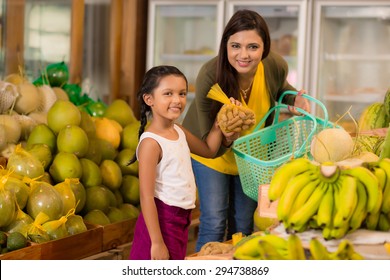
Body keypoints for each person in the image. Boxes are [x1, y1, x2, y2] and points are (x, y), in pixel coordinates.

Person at [182, 9, 311, 252]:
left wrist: (296, 101)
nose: (243, 55)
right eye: (235, 46)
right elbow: (203, 141)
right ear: (225, 46)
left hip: (250, 156)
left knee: (243, 224)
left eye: (253, 47)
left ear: (265, 48)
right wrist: (227, 138)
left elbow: (282, 88)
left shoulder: (275, 65)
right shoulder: (210, 75)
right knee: (214, 223)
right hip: (209, 153)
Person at [128, 65, 239, 260]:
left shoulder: (179, 130)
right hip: (161, 222)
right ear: (149, 99)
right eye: (168, 93)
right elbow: (146, 197)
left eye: (182, 94)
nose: (177, 100)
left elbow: (209, 150)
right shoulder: (151, 143)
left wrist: (218, 125)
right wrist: (157, 242)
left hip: (181, 219)